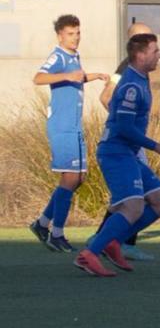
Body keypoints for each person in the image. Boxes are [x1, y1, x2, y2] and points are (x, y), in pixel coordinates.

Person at [74, 33, 160, 276]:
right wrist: (156, 146)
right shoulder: (131, 85)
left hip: (127, 153)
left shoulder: (140, 78)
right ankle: (90, 254)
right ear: (140, 55)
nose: (158, 55)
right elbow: (124, 127)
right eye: (155, 51)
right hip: (116, 153)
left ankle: (114, 241)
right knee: (132, 207)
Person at [29, 15, 108, 253]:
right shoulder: (58, 56)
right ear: (60, 36)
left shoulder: (74, 56)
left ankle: (42, 224)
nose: (75, 37)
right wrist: (65, 75)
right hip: (62, 126)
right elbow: (38, 78)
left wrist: (94, 76)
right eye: (70, 34)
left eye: (78, 33)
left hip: (74, 127)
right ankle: (57, 233)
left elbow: (76, 76)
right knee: (71, 178)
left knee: (79, 178)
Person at [85, 22, 155, 261]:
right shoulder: (127, 69)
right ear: (136, 46)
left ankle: (108, 240)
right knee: (135, 198)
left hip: (130, 142)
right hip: (124, 145)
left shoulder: (141, 74)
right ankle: (110, 241)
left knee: (134, 197)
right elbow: (106, 96)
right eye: (143, 37)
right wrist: (121, 122)